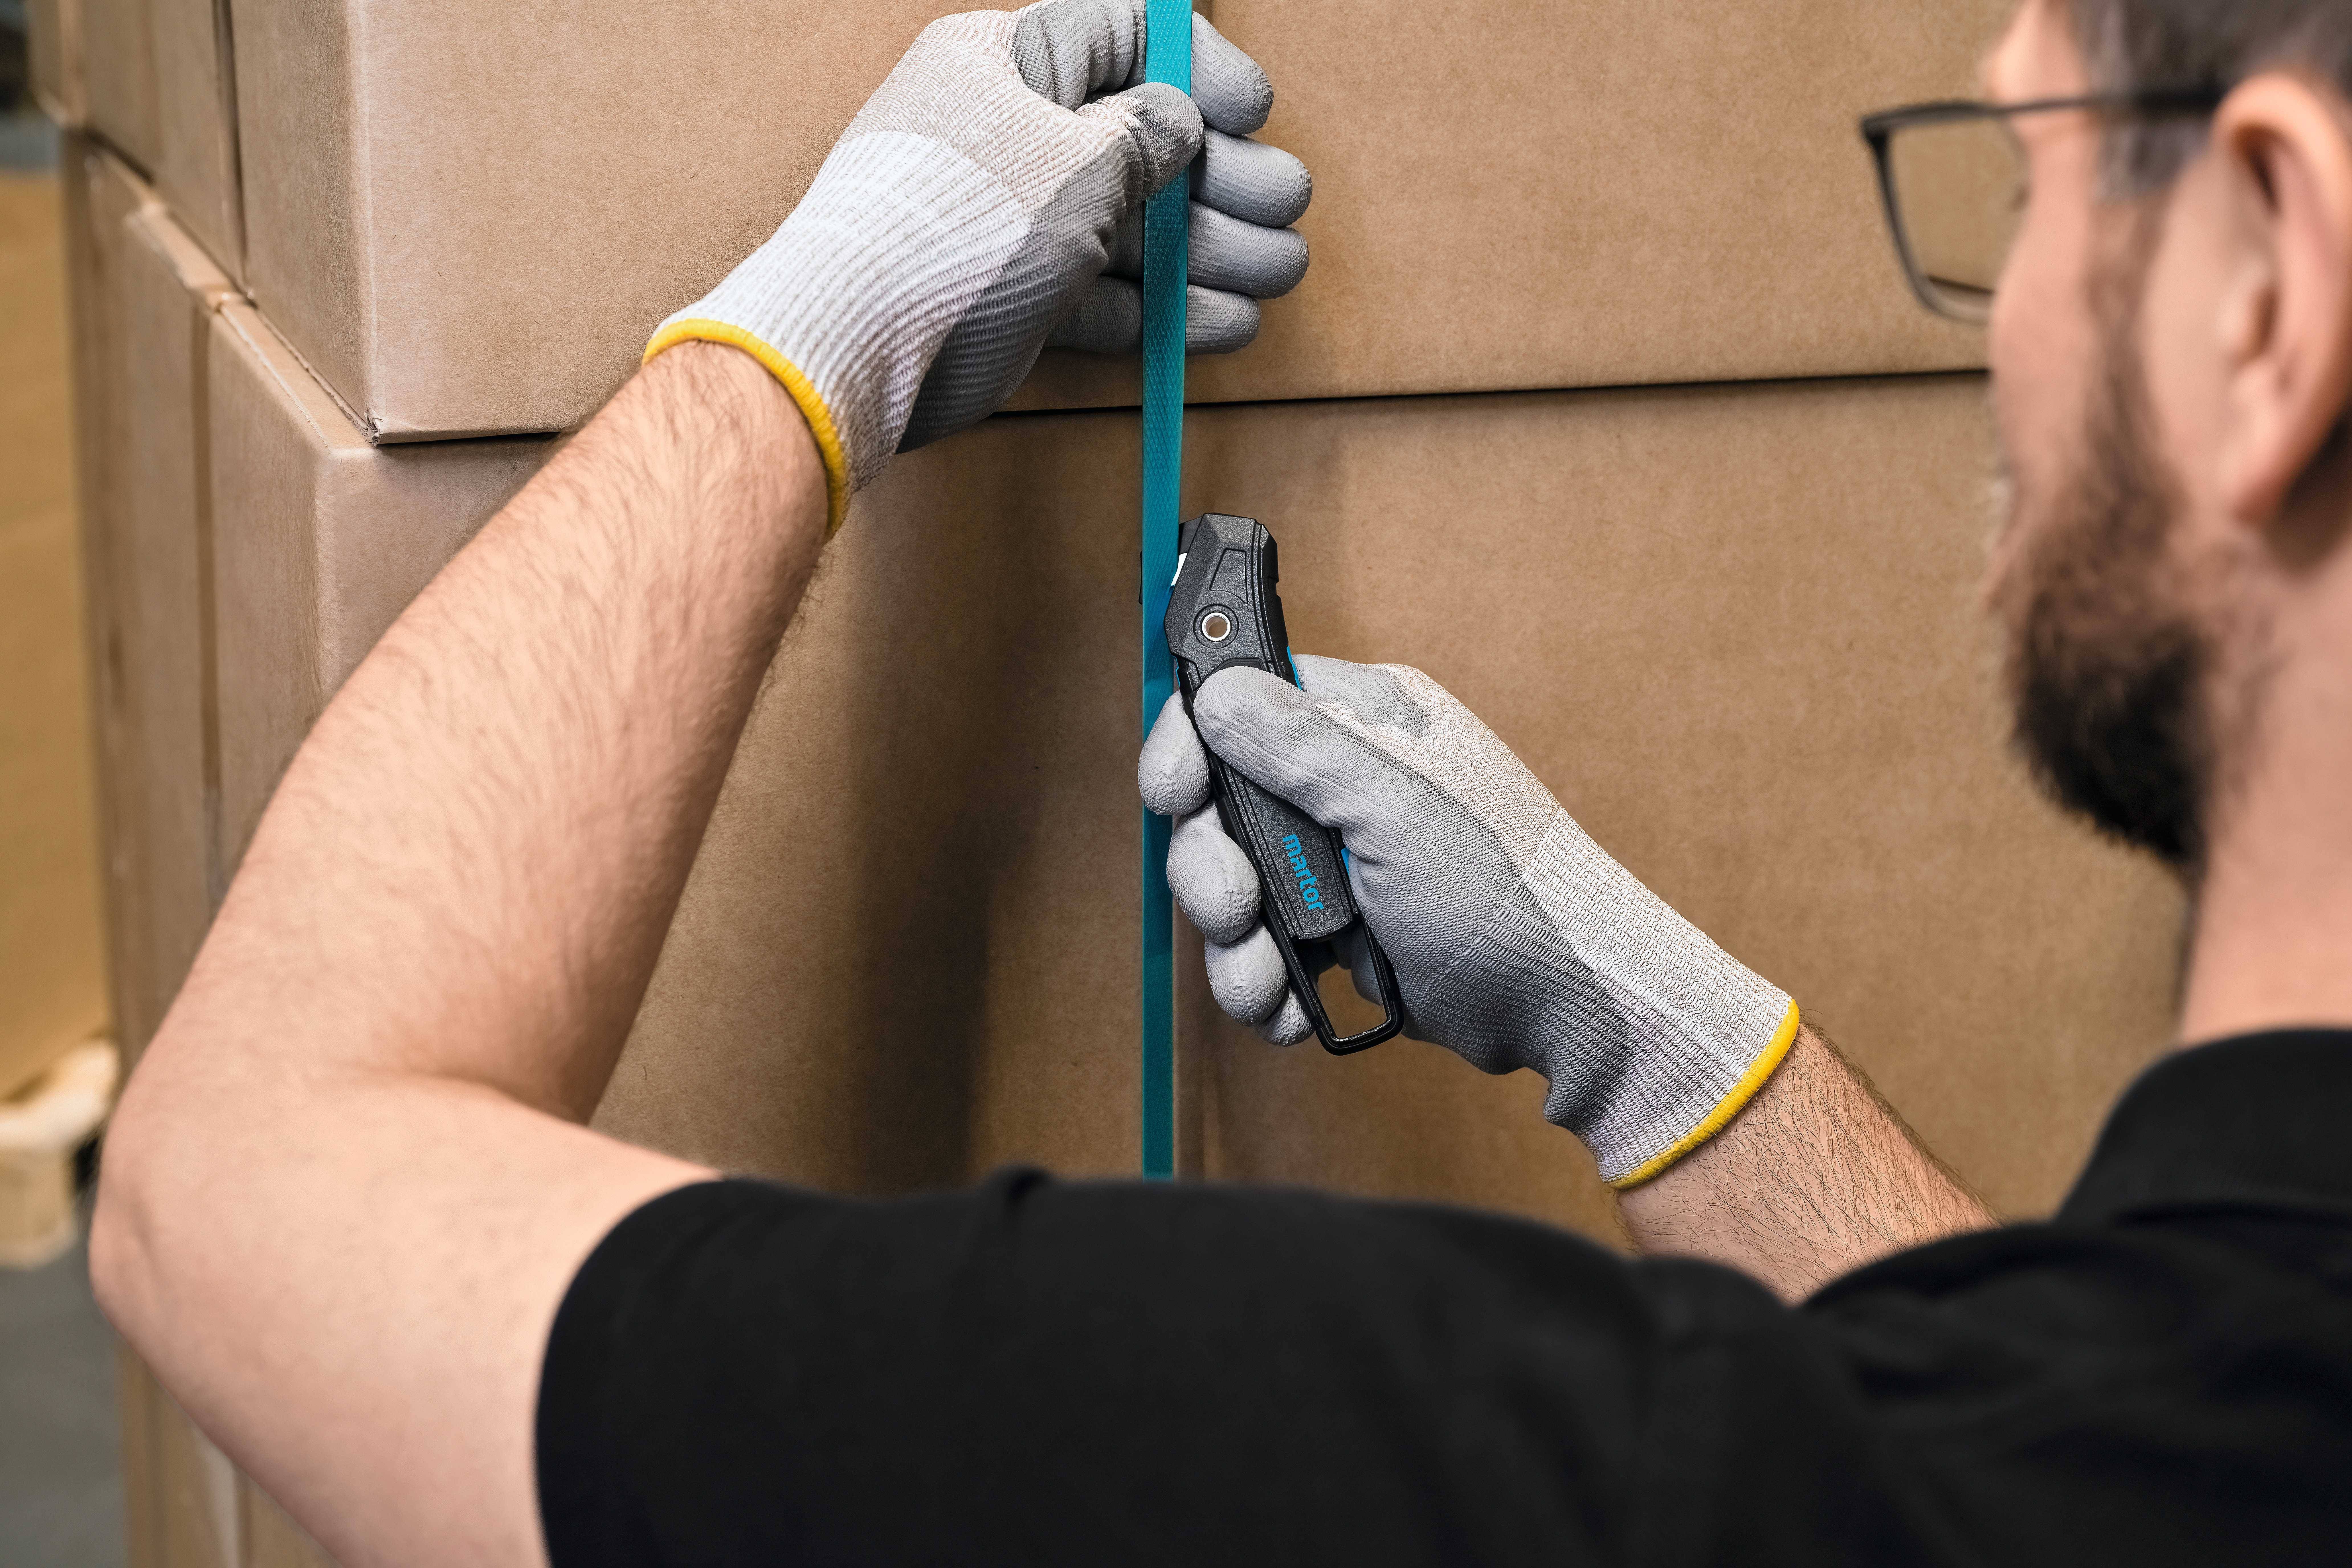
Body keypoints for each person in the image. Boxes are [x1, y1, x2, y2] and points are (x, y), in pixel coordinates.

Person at [85, 0, 2352, 1560]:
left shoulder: (1477, 1482)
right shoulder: (2158, 1435)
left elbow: (236, 1178)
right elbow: (2077, 1403)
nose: (2004, 319)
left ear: (2267, 283)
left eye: (2026, 175)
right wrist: (1643, 1024)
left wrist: (823, 321)